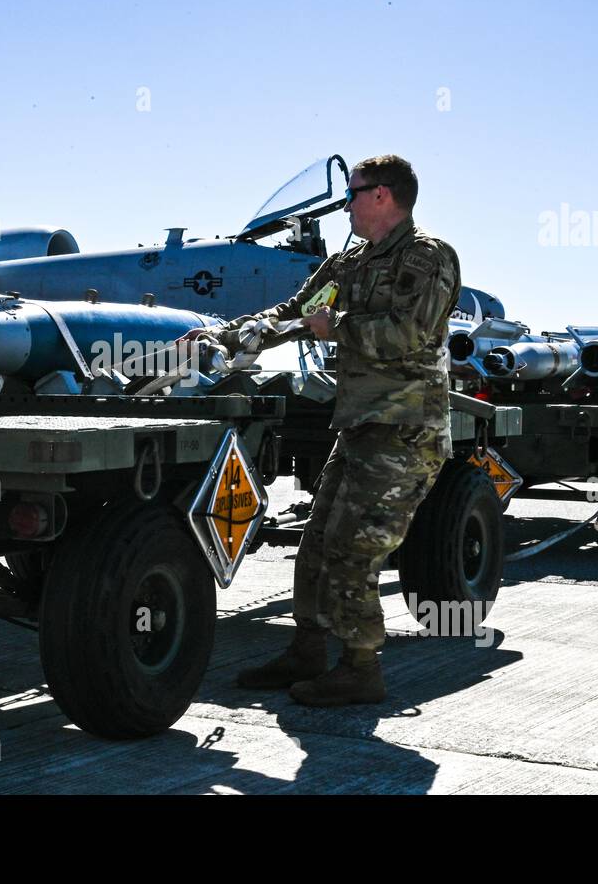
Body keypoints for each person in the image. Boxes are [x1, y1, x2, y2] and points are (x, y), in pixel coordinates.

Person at [177, 154, 461, 705]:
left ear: (383, 196)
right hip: (359, 426)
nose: (345, 204)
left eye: (353, 194)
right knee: (315, 547)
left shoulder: (427, 256)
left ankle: (361, 668)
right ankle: (306, 651)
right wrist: (227, 336)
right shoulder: (350, 262)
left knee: (354, 551)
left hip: (405, 430)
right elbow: (296, 311)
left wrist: (339, 328)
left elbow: (410, 333)